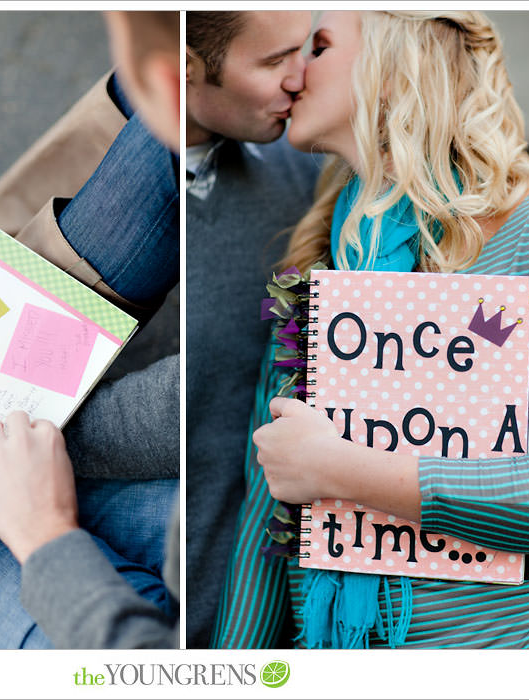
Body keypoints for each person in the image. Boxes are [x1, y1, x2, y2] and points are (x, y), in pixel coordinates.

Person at [213, 10, 529, 648]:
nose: (294, 73)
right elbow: (269, 514)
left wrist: (346, 470)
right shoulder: (319, 263)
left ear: (394, 65)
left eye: (318, 46)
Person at [0, 11, 182, 648]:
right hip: (283, 512)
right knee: (168, 106)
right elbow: (242, 388)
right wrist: (44, 434)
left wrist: (44, 531)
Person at [184, 10, 323, 647]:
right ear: (186, 71)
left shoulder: (306, 167)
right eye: (274, 62)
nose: (302, 78)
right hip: (183, 607)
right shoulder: (83, 204)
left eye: (308, 48)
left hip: (298, 597)